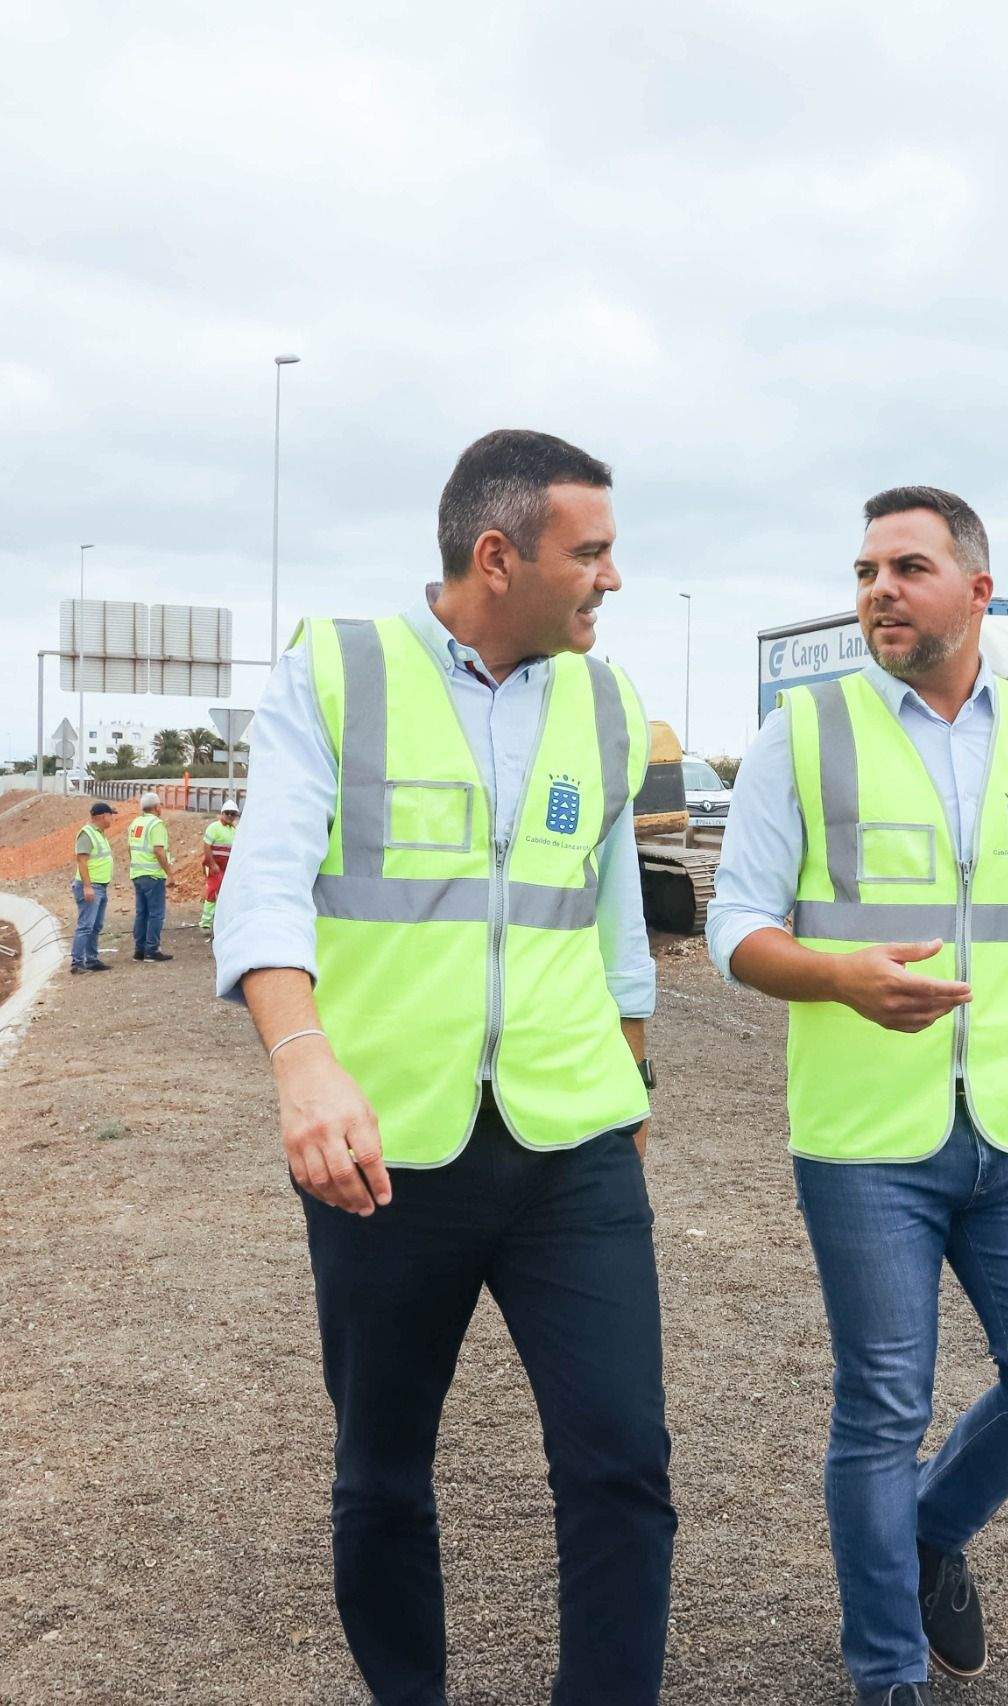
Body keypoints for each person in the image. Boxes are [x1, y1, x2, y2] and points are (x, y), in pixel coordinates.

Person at [213, 428, 672, 1706]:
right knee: (382, 1472)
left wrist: (633, 1080)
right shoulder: (338, 672)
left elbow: (614, 921)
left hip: (573, 1144)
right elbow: (264, 887)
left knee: (622, 1461)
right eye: (591, 551)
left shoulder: (607, 703)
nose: (612, 577)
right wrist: (302, 1062)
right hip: (385, 1149)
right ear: (498, 555)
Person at [706, 486, 1008, 1706]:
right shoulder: (804, 731)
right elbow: (734, 926)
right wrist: (835, 978)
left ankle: (928, 1532)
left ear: (977, 590)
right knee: (881, 1408)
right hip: (863, 1139)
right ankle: (888, 1676)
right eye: (864, 572)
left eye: (906, 567)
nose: (878, 590)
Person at [71, 800, 117, 973]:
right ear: (103, 816)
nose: (112, 819)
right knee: (85, 926)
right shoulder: (87, 834)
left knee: (95, 926)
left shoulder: (99, 834)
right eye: (110, 815)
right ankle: (77, 963)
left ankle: (91, 959)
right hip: (91, 887)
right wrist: (87, 887)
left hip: (100, 886)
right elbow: (81, 861)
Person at [126, 790, 172, 963]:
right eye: (160, 805)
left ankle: (139, 950)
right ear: (156, 807)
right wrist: (169, 873)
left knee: (141, 913)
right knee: (155, 914)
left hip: (137, 874)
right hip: (153, 875)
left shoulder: (135, 823)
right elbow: (159, 851)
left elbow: (130, 848)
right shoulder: (156, 824)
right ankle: (152, 950)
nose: (161, 808)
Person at [199, 802, 238, 931]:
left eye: (233, 814)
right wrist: (212, 864)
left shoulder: (234, 831)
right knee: (213, 890)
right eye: (227, 813)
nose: (230, 816)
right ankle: (206, 922)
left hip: (227, 868)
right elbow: (207, 847)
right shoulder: (214, 827)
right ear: (222, 813)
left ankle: (220, 920)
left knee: (225, 893)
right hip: (215, 866)